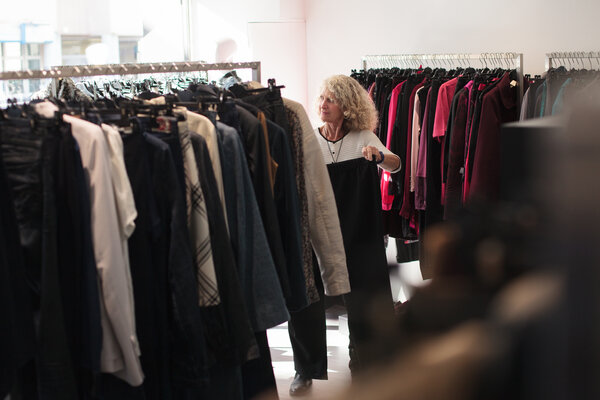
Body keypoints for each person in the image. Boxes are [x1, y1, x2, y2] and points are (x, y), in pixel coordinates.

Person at [288, 74, 401, 396]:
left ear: (347, 107)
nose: (323, 105)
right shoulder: (308, 139)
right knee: (306, 299)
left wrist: (379, 157)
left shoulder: (363, 137)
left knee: (365, 298)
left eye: (331, 100)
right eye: (321, 98)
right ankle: (305, 369)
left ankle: (363, 362)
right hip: (317, 229)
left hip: (360, 229)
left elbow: (395, 164)